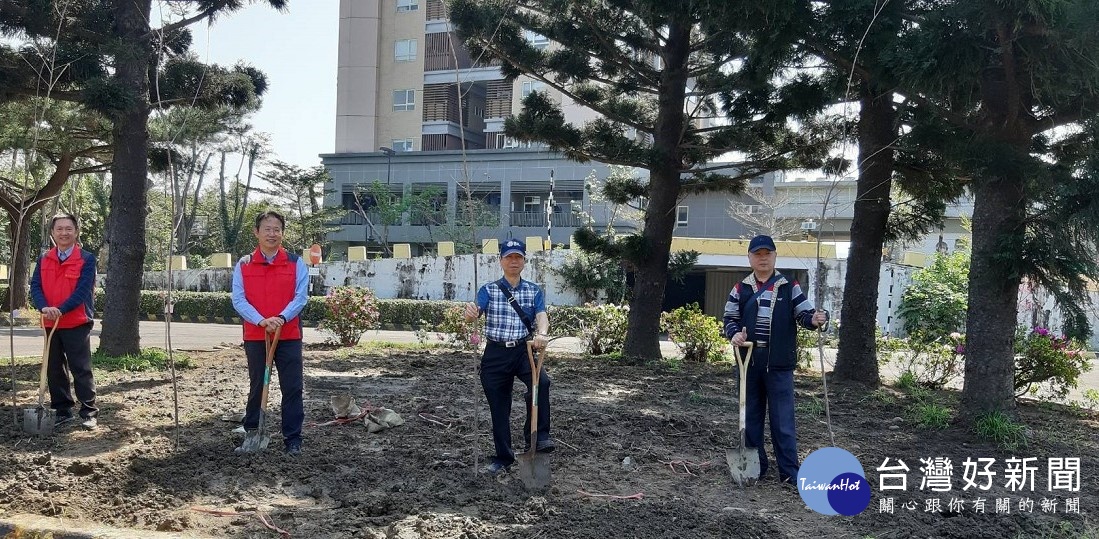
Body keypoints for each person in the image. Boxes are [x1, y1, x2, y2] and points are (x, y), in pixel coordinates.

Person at [723, 235, 827, 485]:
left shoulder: (788, 285)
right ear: (750, 258)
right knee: (750, 419)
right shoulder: (741, 288)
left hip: (779, 363)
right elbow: (730, 318)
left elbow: (804, 314)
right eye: (757, 254)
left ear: (774, 256)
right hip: (748, 362)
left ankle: (790, 474)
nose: (763, 258)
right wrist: (734, 334)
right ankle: (756, 468)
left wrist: (816, 320)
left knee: (783, 422)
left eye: (767, 253)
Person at [463, 238, 553, 475]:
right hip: (496, 353)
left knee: (541, 383)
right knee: (499, 407)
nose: (514, 261)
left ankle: (539, 436)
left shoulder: (534, 290)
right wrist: (471, 314)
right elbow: (475, 312)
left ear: (524, 260)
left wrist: (542, 333)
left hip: (523, 351)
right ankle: (503, 457)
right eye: (509, 257)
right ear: (501, 260)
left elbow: (541, 315)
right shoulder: (488, 290)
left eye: (518, 257)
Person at [231, 211, 309, 455]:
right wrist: (262, 321)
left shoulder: (296, 263)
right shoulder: (244, 264)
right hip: (256, 336)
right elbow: (239, 300)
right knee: (257, 385)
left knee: (293, 387)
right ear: (257, 232)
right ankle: (252, 431)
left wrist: (282, 318)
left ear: (282, 232)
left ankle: (293, 439)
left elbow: (301, 296)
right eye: (267, 228)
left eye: (277, 229)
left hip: (288, 336)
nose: (272, 233)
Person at [30, 213, 99, 430]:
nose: (64, 233)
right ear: (52, 233)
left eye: (68, 229)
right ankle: (62, 410)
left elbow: (83, 291)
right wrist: (43, 308)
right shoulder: (44, 258)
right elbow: (36, 287)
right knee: (54, 369)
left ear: (76, 232)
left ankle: (88, 411)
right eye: (59, 229)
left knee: (81, 368)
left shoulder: (86, 259)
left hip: (76, 321)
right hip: (50, 323)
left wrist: (61, 309)